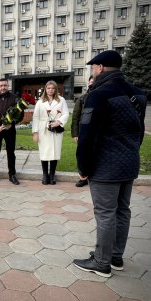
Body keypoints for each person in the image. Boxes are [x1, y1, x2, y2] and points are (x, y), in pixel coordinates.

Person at [73, 50, 147, 278]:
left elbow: (87, 136)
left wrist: (83, 168)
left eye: (93, 67)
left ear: (101, 68)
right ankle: (115, 256)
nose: (92, 70)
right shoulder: (137, 94)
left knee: (105, 213)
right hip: (129, 162)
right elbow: (140, 131)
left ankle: (102, 262)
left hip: (105, 165)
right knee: (122, 211)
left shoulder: (99, 94)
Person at [32, 80, 69, 185]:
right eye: (48, 88)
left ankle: (52, 174)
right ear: (45, 89)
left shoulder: (61, 100)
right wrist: (35, 132)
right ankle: (45, 174)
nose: (50, 90)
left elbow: (66, 113)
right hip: (43, 129)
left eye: (52, 88)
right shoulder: (40, 102)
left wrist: (59, 121)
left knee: (55, 151)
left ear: (56, 89)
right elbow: (36, 117)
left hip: (56, 130)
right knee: (44, 152)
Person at [71, 76, 95, 187]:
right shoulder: (82, 99)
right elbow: (75, 117)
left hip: (98, 132)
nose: (92, 83)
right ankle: (83, 177)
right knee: (82, 155)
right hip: (83, 131)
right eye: (91, 81)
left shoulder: (103, 96)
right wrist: (75, 133)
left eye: (94, 81)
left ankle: (95, 177)